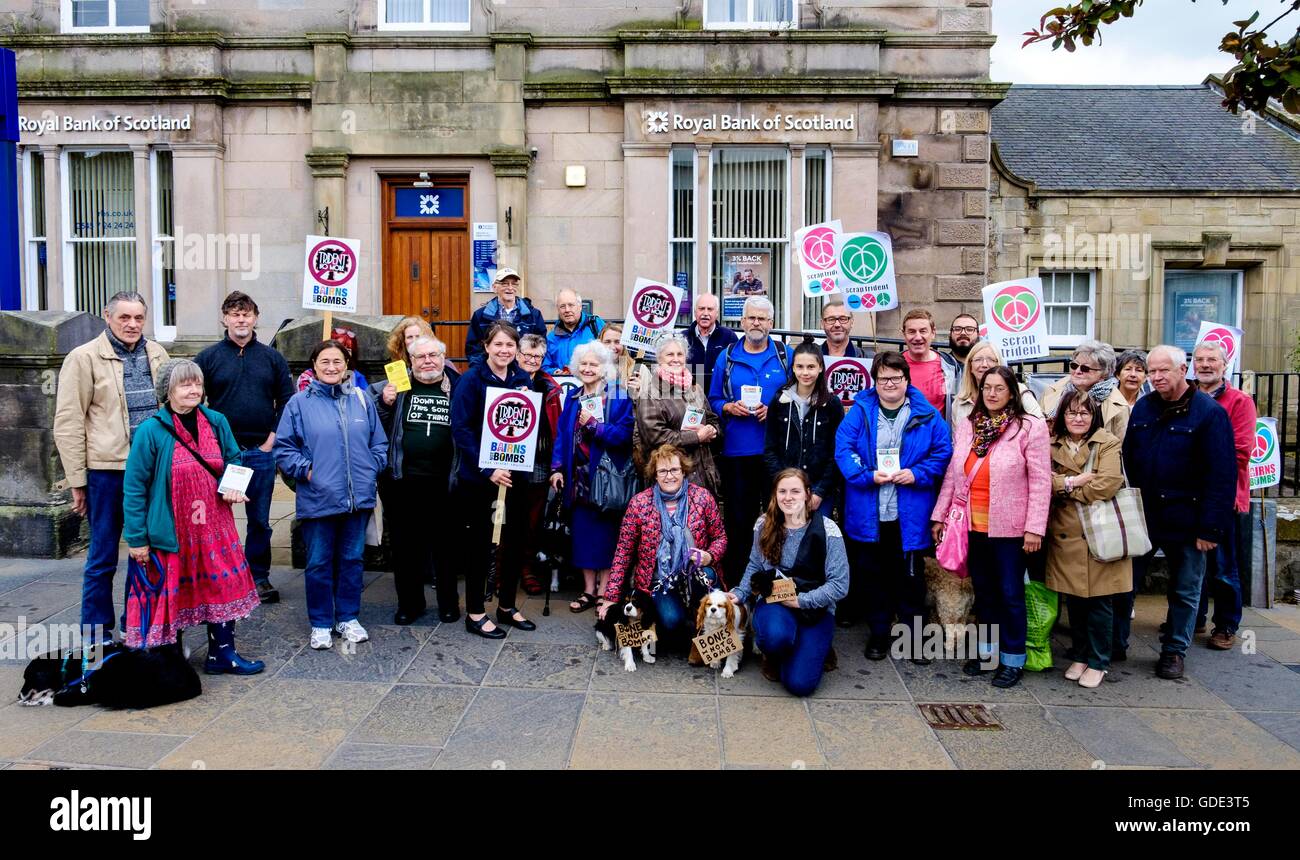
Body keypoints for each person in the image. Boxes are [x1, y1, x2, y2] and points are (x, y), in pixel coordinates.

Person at [122, 359, 264, 674]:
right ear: (167, 390)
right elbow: (134, 488)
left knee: (222, 586)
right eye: (185, 384)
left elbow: (234, 459)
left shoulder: (216, 421)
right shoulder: (150, 431)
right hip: (172, 531)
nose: (194, 390)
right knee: (173, 593)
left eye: (197, 384)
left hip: (214, 526)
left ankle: (222, 655)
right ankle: (171, 661)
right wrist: (137, 538)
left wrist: (232, 487)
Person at [54, 291, 170, 641]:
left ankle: (138, 624)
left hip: (153, 471)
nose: (132, 324)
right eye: (124, 318)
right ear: (108, 316)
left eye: (138, 318)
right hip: (107, 472)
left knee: (149, 554)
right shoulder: (83, 358)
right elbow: (69, 421)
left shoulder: (158, 353)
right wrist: (77, 479)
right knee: (103, 556)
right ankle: (97, 635)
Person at [931, 366, 1051, 689]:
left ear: (1012, 391)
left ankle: (1013, 659)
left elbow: (1041, 482)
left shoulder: (1029, 427)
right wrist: (939, 515)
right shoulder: (970, 426)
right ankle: (988, 653)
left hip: (1011, 529)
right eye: (987, 388)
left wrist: (1035, 528)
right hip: (972, 525)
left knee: (1011, 594)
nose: (993, 394)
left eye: (1000, 388)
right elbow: (955, 476)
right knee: (984, 594)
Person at [1123, 345, 1235, 680]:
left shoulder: (1209, 413)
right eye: (1151, 371)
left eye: (1163, 371)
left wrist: (1210, 529)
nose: (1155, 377)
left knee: (1186, 589)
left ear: (1181, 369)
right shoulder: (1144, 407)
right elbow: (1129, 456)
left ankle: (1174, 651)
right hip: (1146, 515)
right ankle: (1116, 643)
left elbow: (1222, 475)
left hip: (1189, 517)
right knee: (1125, 582)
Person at [274, 340, 388, 650]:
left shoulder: (362, 400)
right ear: (314, 365)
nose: (331, 367)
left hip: (357, 498)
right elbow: (284, 448)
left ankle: (348, 617)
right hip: (318, 497)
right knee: (319, 563)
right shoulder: (298, 404)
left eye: (337, 361)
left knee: (352, 560)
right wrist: (306, 471)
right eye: (324, 361)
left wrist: (371, 467)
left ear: (347, 365)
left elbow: (379, 444)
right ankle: (321, 622)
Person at [835, 351, 952, 649]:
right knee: (874, 577)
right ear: (875, 381)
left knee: (910, 579)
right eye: (883, 377)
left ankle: (913, 640)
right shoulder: (860, 411)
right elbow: (843, 449)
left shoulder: (926, 414)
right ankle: (879, 634)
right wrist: (865, 475)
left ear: (906, 379)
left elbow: (942, 452)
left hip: (909, 512)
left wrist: (917, 474)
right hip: (869, 510)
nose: (890, 383)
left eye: (896, 377)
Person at [194, 290, 296, 606]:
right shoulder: (208, 358)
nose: (241, 319)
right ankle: (218, 574)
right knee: (216, 519)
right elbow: (194, 402)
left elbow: (288, 401)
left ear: (255, 318)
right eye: (235, 314)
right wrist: (209, 444)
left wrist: (271, 440)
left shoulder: (271, 358)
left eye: (247, 313)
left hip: (259, 452)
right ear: (225, 318)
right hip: (222, 455)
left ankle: (258, 576)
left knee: (260, 520)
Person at [449, 322, 537, 638]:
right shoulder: (471, 380)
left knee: (513, 542)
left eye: (509, 345)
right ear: (486, 346)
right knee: (480, 544)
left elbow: (526, 424)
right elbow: (461, 429)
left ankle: (507, 606)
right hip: (480, 479)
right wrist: (488, 468)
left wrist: (527, 400)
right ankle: (475, 612)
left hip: (514, 477)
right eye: (498, 344)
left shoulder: (521, 378)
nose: (504, 351)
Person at [729, 468, 849, 697]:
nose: (788, 497)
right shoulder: (764, 525)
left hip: (815, 607)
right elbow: (755, 564)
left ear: (807, 494)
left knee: (799, 684)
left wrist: (801, 601)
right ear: (775, 495)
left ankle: (816, 647)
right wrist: (740, 592)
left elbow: (840, 585)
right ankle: (775, 652)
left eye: (795, 491)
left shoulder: (827, 529)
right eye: (782, 491)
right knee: (776, 637)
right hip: (776, 602)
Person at [600, 445, 727, 647]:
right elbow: (623, 552)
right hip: (660, 581)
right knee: (671, 620)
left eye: (674, 470)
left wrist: (709, 556)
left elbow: (720, 538)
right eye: (663, 471)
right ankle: (682, 627)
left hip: (695, 575)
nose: (669, 476)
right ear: (655, 475)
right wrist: (610, 597)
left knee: (708, 577)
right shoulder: (639, 503)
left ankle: (707, 633)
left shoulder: (703, 497)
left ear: (683, 470)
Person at [1045, 388, 1131, 689]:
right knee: (1075, 601)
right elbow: (1043, 480)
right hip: (1064, 533)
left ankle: (1098, 660)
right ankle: (1080, 654)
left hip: (1098, 532)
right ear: (1062, 416)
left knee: (1099, 602)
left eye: (1084, 412)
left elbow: (1107, 484)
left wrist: (1065, 488)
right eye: (1072, 412)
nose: (1078, 418)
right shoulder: (1051, 442)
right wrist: (1073, 481)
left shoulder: (1107, 442)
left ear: (1094, 415)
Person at [371, 335, 458, 624]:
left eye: (433, 355)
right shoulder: (396, 386)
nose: (428, 361)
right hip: (403, 481)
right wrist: (384, 403)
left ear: (443, 358)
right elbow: (372, 423)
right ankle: (410, 604)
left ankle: (448, 603)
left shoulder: (457, 386)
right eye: (421, 357)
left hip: (445, 482)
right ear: (411, 361)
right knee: (406, 548)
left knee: (446, 547)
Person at [709, 296, 790, 587]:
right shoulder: (727, 356)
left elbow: (798, 394)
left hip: (774, 452)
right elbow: (714, 398)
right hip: (737, 451)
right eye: (751, 318)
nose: (756, 323)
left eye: (762, 318)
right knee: (738, 522)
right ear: (742, 322)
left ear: (771, 323)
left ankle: (773, 581)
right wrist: (728, 408)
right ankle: (737, 583)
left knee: (776, 520)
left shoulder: (785, 354)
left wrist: (776, 408)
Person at [551, 341, 636, 612]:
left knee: (607, 535)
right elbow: (562, 436)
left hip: (606, 478)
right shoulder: (573, 397)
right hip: (577, 477)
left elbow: (625, 435)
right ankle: (588, 590)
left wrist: (596, 427)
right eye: (584, 364)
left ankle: (605, 590)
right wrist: (556, 468)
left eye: (594, 364)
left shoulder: (618, 396)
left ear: (604, 368)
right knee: (583, 536)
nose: (588, 368)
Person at [1192, 339, 1257, 650]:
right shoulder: (1188, 397)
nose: (1205, 364)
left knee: (1224, 566)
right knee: (1193, 563)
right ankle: (1196, 617)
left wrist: (1191, 456)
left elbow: (1241, 452)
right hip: (1190, 495)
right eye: (1200, 359)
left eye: (1212, 360)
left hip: (1224, 497)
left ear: (1224, 364)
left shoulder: (1239, 401)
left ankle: (1227, 625)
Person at [634, 333, 722, 498]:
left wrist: (712, 430)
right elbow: (655, 438)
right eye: (670, 354)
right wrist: (696, 437)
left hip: (703, 478)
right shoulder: (650, 392)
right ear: (659, 358)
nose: (676, 359)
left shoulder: (694, 387)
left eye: (680, 354)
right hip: (670, 481)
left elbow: (712, 418)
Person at [764, 341, 845, 514]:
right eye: (800, 366)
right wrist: (783, 486)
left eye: (811, 366)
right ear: (792, 368)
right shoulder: (779, 401)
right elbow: (770, 449)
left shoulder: (832, 404)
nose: (805, 372)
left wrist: (820, 492)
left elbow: (836, 452)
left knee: (817, 539)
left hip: (819, 492)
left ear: (821, 368)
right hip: (786, 491)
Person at [515, 333, 566, 596]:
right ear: (517, 355)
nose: (532, 360)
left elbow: (558, 426)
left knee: (533, 519)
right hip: (509, 460)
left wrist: (557, 465)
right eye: (528, 355)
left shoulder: (549, 386)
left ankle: (526, 568)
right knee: (504, 517)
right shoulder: (507, 380)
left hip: (538, 461)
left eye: (537, 356)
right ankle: (501, 571)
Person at [1040, 340, 1130, 441]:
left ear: (1104, 374)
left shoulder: (1118, 406)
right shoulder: (1051, 391)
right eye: (1074, 366)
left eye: (1085, 368)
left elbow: (1119, 446)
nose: (1077, 371)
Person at [950, 341, 1044, 431]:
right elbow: (957, 441)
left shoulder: (1019, 391)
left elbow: (1039, 427)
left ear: (999, 364)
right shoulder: (960, 403)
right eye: (978, 359)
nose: (984, 365)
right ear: (970, 367)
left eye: (991, 359)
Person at [465, 268, 547, 365]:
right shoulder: (480, 316)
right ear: (494, 287)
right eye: (505, 283)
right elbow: (473, 349)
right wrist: (481, 370)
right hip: (490, 372)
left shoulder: (534, 315)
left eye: (514, 284)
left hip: (523, 372)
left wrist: (527, 368)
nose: (510, 287)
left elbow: (541, 346)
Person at [901, 309, 960, 418]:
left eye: (923, 331)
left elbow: (957, 406)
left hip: (937, 434)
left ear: (933, 333)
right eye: (912, 331)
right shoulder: (892, 365)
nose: (918, 337)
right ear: (903, 334)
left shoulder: (949, 366)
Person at [685, 292, 738, 393]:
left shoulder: (729, 337)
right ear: (695, 312)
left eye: (710, 309)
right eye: (701, 309)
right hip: (690, 400)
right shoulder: (683, 338)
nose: (705, 313)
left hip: (720, 402)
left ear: (717, 313)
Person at [545, 288, 605, 374]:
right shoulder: (552, 338)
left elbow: (612, 354)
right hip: (564, 385)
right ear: (558, 310)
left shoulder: (595, 325)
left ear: (580, 306)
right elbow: (544, 366)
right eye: (562, 306)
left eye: (571, 305)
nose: (567, 310)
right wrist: (554, 372)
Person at [295, 331, 369, 391]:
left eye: (348, 349)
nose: (331, 368)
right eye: (339, 346)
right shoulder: (307, 377)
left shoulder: (357, 376)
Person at [599, 322, 642, 393]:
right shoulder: (593, 369)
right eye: (607, 342)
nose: (612, 347)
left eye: (617, 342)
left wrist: (639, 391)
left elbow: (651, 403)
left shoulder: (639, 369)